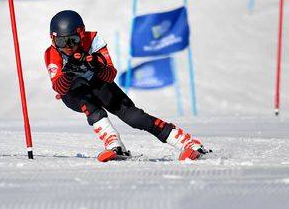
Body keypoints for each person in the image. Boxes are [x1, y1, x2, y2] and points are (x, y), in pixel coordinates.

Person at [44, 10, 209, 162]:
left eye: (72, 41)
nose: (67, 47)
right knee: (88, 101)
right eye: (60, 41)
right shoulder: (52, 53)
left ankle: (187, 142)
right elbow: (60, 88)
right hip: (74, 93)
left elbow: (110, 75)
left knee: (134, 117)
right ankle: (113, 143)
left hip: (99, 83)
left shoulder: (94, 40)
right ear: (53, 39)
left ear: (81, 34)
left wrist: (95, 64)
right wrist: (68, 73)